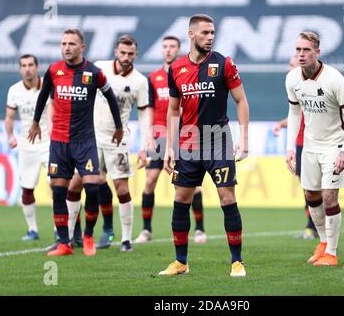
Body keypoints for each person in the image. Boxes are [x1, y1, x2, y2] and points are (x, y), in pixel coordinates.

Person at [158, 14, 249, 277]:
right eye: (205, 33)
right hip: (188, 143)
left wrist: (244, 138)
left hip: (218, 140)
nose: (210, 37)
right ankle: (181, 262)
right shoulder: (176, 69)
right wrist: (169, 147)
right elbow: (173, 109)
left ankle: (237, 262)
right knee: (180, 199)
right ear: (191, 35)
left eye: (212, 33)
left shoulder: (224, 63)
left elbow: (241, 100)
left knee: (227, 198)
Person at [28, 28, 123, 256]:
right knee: (58, 191)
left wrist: (119, 126)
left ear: (82, 47)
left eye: (72, 44)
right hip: (59, 142)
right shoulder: (54, 71)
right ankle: (64, 243)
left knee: (92, 187)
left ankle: (88, 235)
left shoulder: (94, 72)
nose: (67, 48)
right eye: (63, 44)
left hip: (85, 142)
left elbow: (110, 97)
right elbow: (43, 96)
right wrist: (35, 122)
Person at [65, 35, 152, 252]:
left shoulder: (140, 81)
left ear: (136, 55)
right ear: (116, 51)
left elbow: (143, 115)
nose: (126, 57)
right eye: (123, 53)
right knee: (75, 184)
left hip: (117, 142)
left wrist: (144, 146)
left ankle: (125, 239)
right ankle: (67, 236)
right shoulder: (99, 69)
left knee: (122, 188)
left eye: (130, 54)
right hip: (90, 139)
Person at [285, 31, 344, 266]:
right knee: (311, 196)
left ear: (318, 52)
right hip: (309, 146)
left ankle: (333, 252)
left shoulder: (333, 78)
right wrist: (289, 148)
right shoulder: (292, 79)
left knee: (329, 196)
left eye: (306, 50)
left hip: (333, 146)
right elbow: (294, 112)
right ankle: (323, 243)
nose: (301, 54)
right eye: (298, 50)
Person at [134, 36, 207, 245]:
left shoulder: (186, 73)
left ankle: (200, 229)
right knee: (149, 181)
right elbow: (149, 108)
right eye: (165, 46)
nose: (168, 50)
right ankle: (146, 230)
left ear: (178, 49)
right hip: (158, 136)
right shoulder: (154, 77)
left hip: (183, 136)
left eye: (172, 46)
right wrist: (147, 135)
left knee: (191, 186)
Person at [5, 54, 52, 241]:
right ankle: (32, 230)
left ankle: (60, 228)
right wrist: (10, 136)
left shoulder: (48, 87)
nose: (27, 69)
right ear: (20, 69)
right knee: (27, 189)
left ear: (37, 67)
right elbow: (9, 116)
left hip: (49, 143)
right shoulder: (14, 90)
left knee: (56, 186)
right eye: (23, 65)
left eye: (31, 65)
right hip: (27, 146)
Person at [273, 56, 317, 240]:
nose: (289, 68)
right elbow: (295, 115)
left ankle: (316, 227)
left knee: (315, 188)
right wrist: (282, 124)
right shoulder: (294, 86)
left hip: (313, 143)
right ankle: (312, 226)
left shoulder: (313, 86)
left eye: (291, 65)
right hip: (299, 144)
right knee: (307, 188)